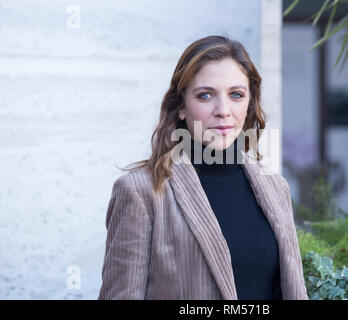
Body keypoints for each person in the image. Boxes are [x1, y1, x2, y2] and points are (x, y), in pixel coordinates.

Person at [98, 35, 309, 300]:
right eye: (206, 95)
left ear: (250, 103)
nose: (223, 110)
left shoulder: (276, 187)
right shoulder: (141, 192)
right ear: (181, 107)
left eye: (236, 94)